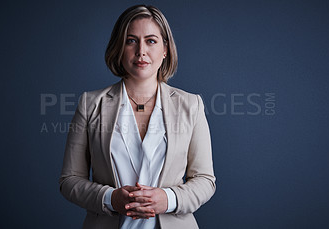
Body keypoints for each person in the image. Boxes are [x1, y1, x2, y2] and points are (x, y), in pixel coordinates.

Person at [59, 4, 215, 229]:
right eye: (131, 40)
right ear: (119, 48)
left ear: (165, 49)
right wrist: (110, 198)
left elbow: (205, 181)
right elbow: (69, 180)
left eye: (151, 41)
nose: (141, 51)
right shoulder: (90, 104)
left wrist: (169, 199)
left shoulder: (191, 105)